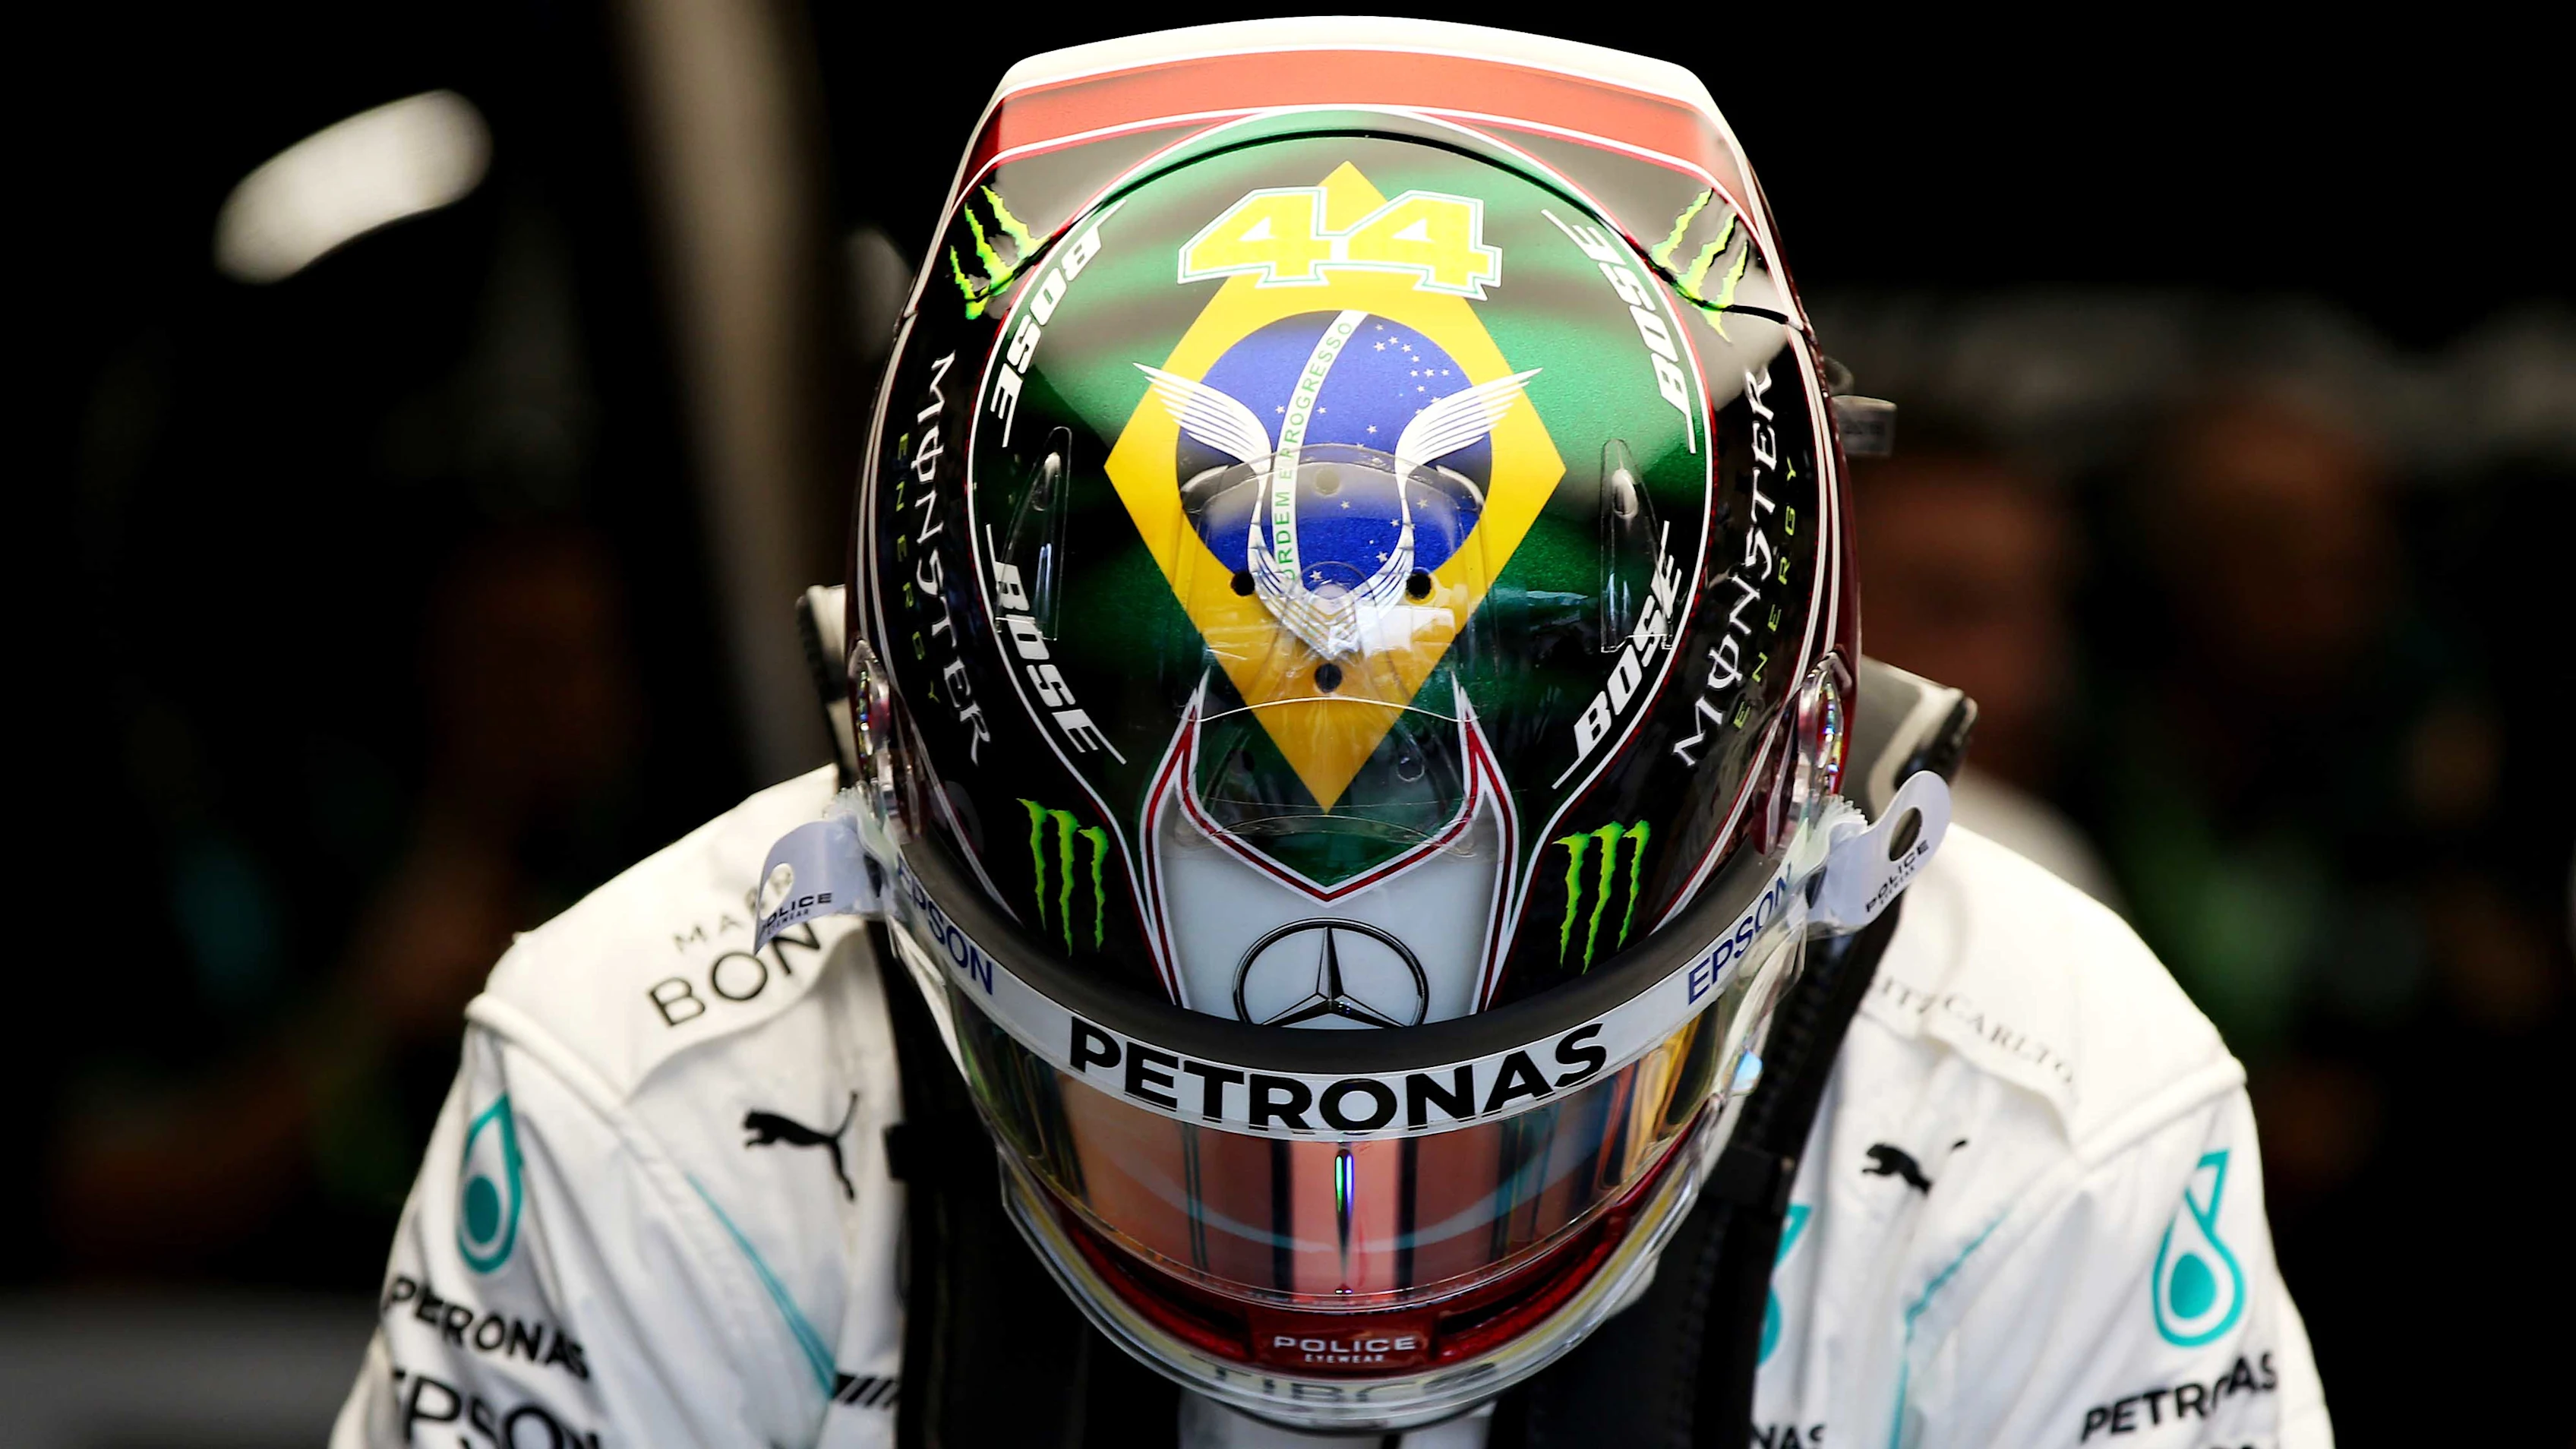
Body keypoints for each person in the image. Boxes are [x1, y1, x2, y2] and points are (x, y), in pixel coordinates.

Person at [332, 20, 2331, 1447]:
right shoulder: (646, 1092)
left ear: (1808, 868)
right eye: (1179, 1114)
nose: (1344, 1262)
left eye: (1504, 1127)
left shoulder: (2048, 1129)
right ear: (892, 852)